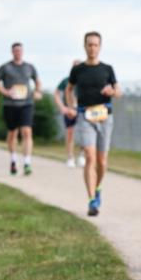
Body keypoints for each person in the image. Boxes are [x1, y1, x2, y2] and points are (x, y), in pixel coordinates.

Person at [65, 32, 120, 217]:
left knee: (102, 161)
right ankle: (91, 201)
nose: (92, 48)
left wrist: (111, 90)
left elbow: (118, 91)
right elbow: (69, 88)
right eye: (89, 45)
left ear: (100, 47)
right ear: (84, 46)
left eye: (96, 45)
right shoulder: (78, 70)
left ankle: (98, 188)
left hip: (104, 116)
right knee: (90, 156)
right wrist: (71, 105)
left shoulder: (107, 69)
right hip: (84, 116)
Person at [0, 42, 42, 175]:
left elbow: (37, 81)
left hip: (27, 103)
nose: (18, 52)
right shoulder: (5, 67)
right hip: (10, 104)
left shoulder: (29, 67)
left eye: (20, 50)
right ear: (12, 52)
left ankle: (27, 162)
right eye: (15, 50)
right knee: (12, 133)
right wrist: (5, 92)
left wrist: (38, 91)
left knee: (27, 131)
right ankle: (13, 160)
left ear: (23, 52)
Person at [55, 60, 85, 167]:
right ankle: (70, 157)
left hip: (81, 109)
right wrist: (62, 107)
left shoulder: (84, 80)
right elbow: (57, 94)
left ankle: (82, 155)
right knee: (70, 132)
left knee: (84, 132)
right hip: (69, 110)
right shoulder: (66, 81)